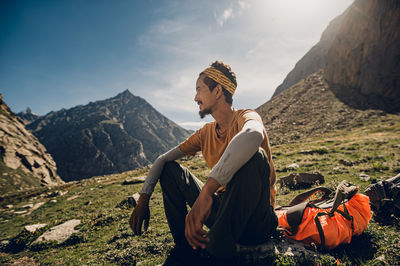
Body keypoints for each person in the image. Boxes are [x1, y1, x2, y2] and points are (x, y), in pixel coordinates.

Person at [129, 60, 278, 264]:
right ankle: (186, 247)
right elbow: (162, 159)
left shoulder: (247, 117)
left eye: (199, 89)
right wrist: (143, 199)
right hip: (223, 210)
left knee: (256, 155)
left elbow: (253, 135)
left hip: (257, 221)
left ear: (217, 91)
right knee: (170, 170)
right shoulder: (205, 133)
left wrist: (207, 190)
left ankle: (216, 251)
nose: (195, 97)